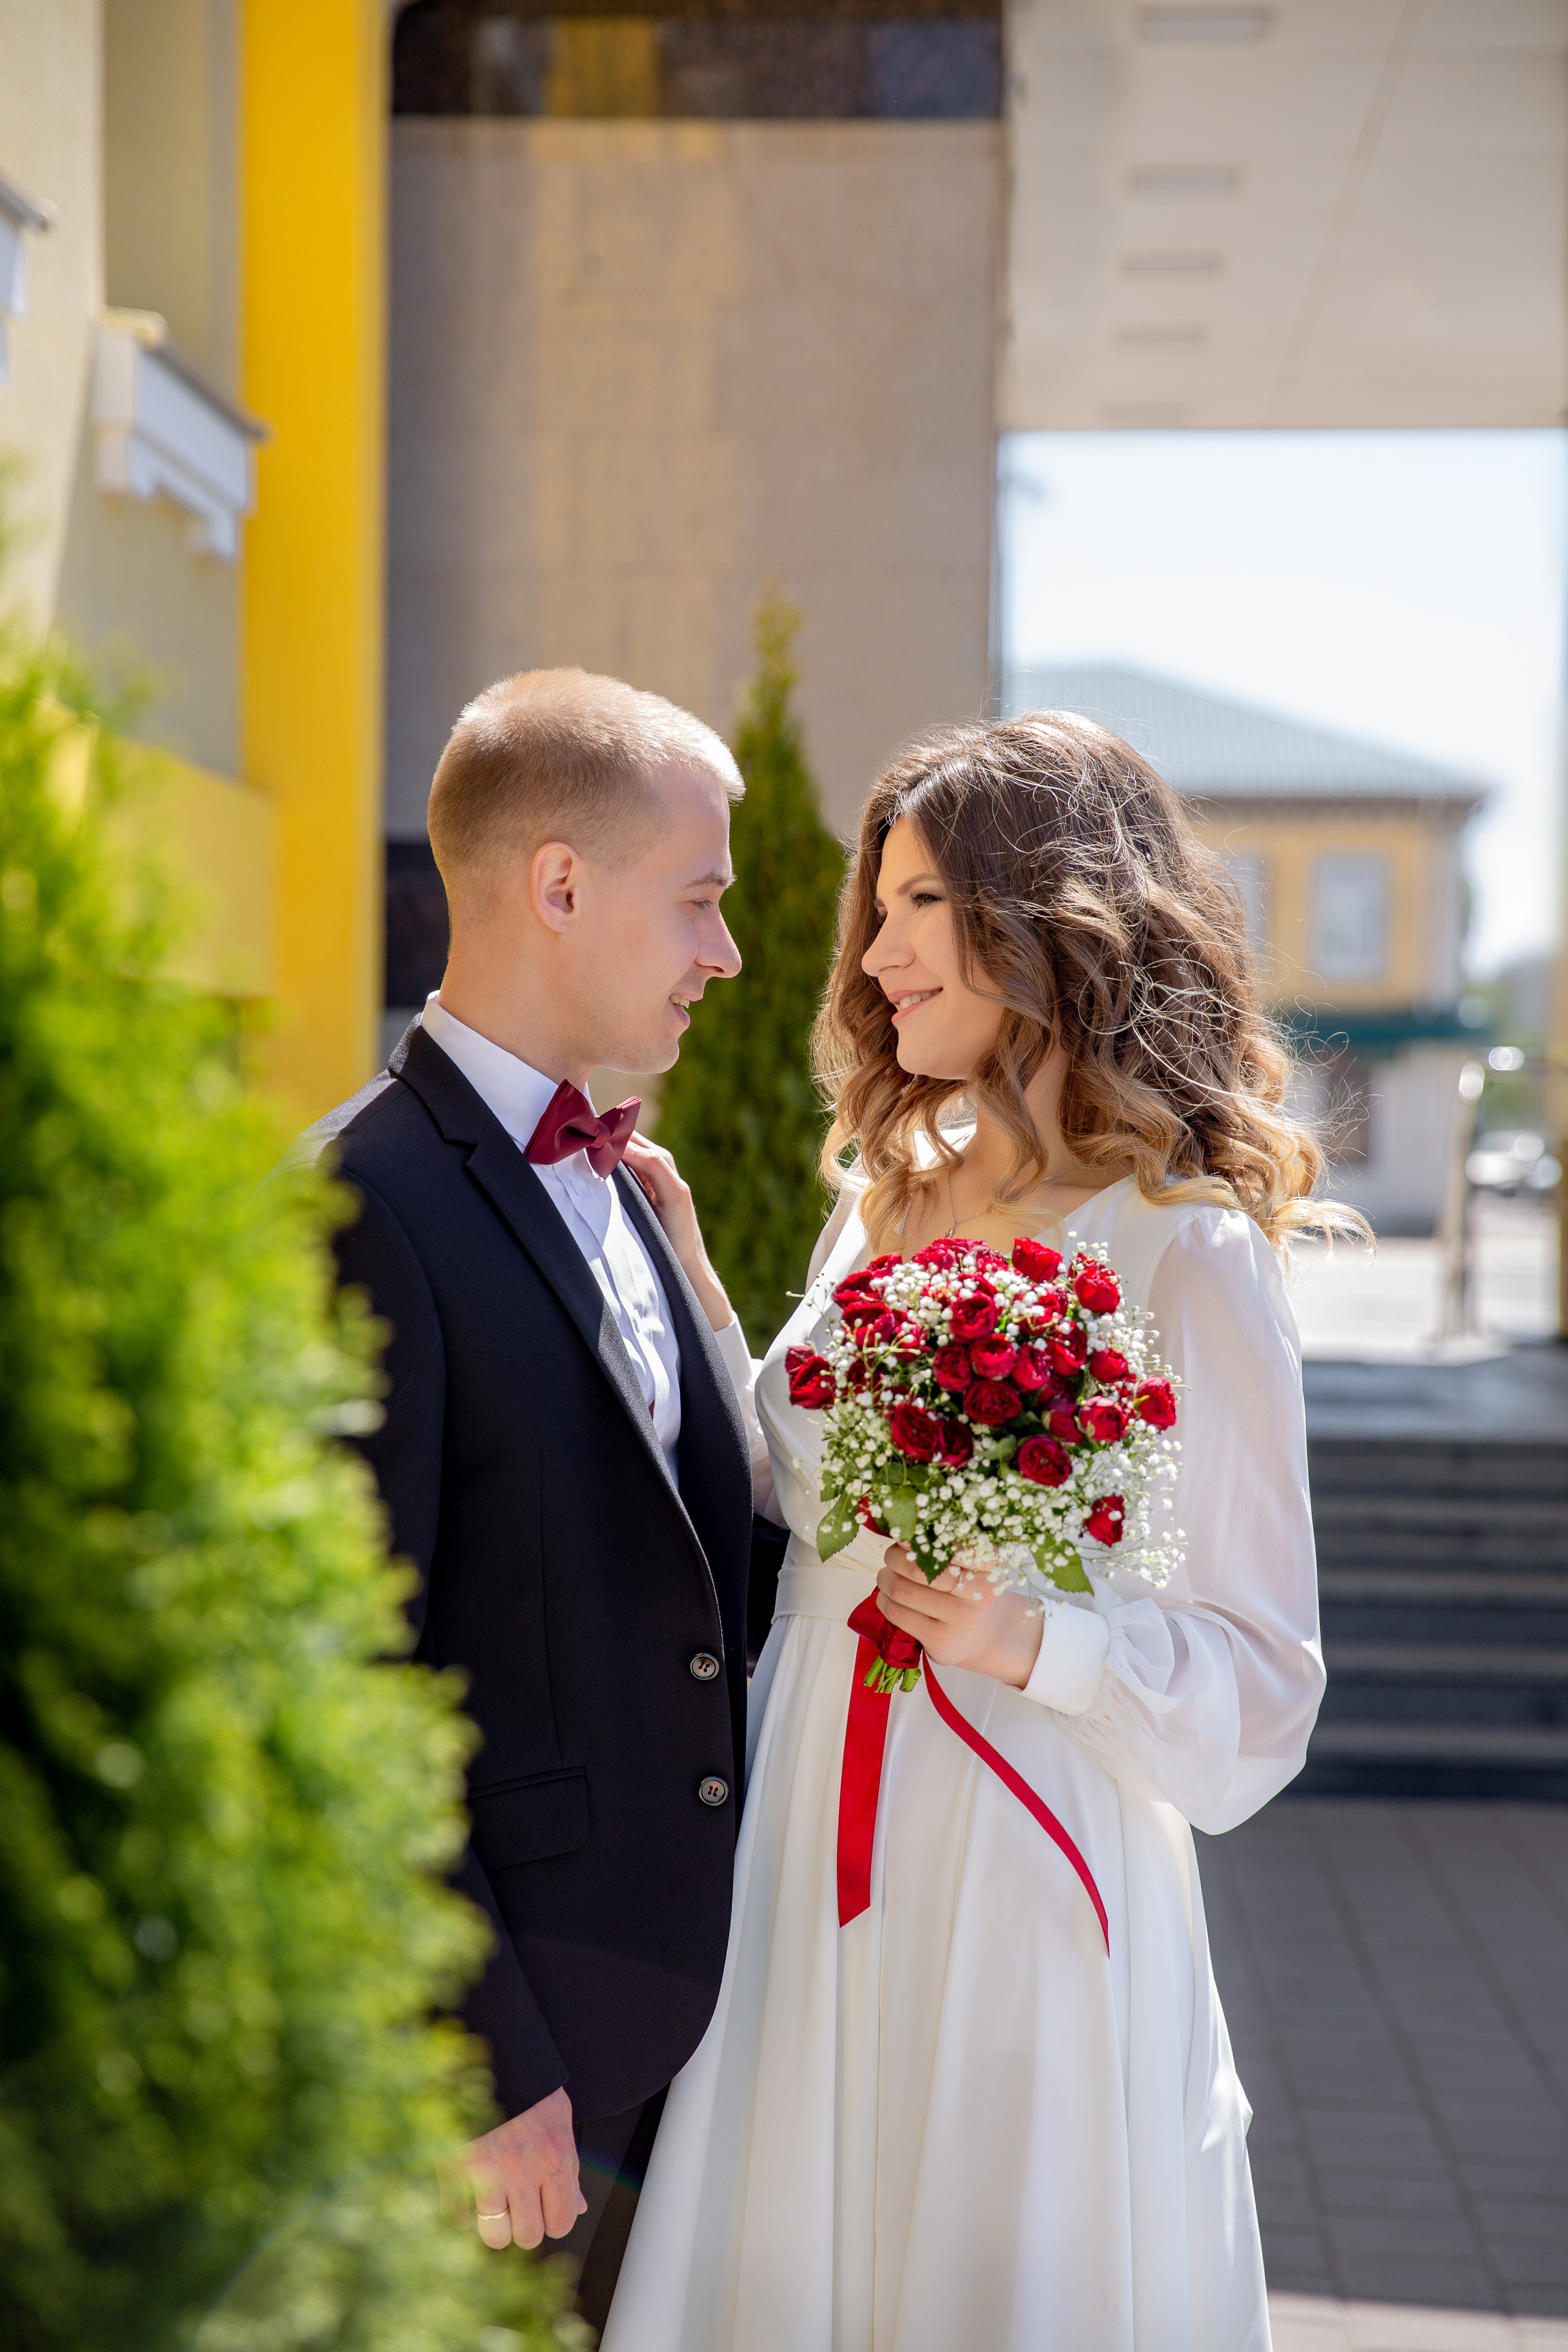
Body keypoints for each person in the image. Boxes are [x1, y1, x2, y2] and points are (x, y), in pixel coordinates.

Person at [602, 712, 1346, 2350]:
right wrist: (697, 1289)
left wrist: (1039, 1640)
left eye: (916, 905)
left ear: (1045, 917)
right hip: (809, 1807)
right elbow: (798, 1498)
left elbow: (1264, 1681)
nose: (873, 959)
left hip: (1021, 1840)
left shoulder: (1187, 1250)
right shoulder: (885, 1189)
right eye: (877, 912)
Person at [293, 668, 763, 2323]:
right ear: (560, 885)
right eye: (698, 900)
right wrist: (480, 2062)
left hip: (677, 2032)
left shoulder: (626, 1191)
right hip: (520, 2086)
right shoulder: (362, 1201)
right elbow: (342, 1687)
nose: (726, 952)